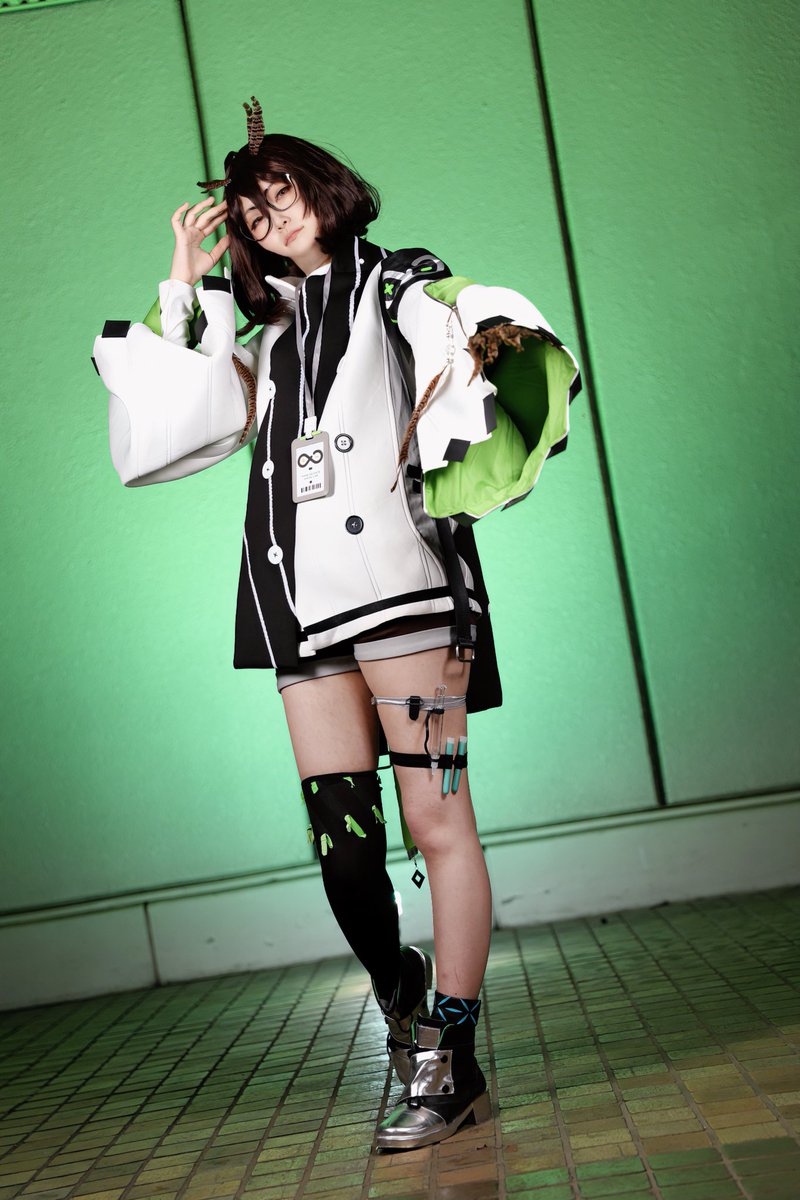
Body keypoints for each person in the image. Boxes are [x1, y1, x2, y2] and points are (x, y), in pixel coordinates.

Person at [92, 96, 580, 1151]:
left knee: (437, 824)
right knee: (343, 853)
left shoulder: (395, 282)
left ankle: (451, 1057)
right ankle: (399, 987)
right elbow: (178, 423)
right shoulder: (266, 335)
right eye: (246, 209)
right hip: (297, 609)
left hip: (404, 594)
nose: (265, 215)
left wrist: (488, 333)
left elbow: (457, 314)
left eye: (277, 191)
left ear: (323, 187)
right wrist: (182, 282)